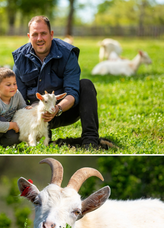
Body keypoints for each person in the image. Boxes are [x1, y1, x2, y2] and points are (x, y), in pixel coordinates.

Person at [12, 15, 100, 148]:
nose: (39, 38)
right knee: (9, 139)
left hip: (63, 110)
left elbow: (72, 93)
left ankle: (90, 140)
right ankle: (42, 134)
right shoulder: (20, 59)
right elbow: (19, 100)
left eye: (43, 34)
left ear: (51, 34)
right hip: (35, 115)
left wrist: (57, 109)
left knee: (86, 85)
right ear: (29, 36)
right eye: (35, 34)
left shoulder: (67, 54)